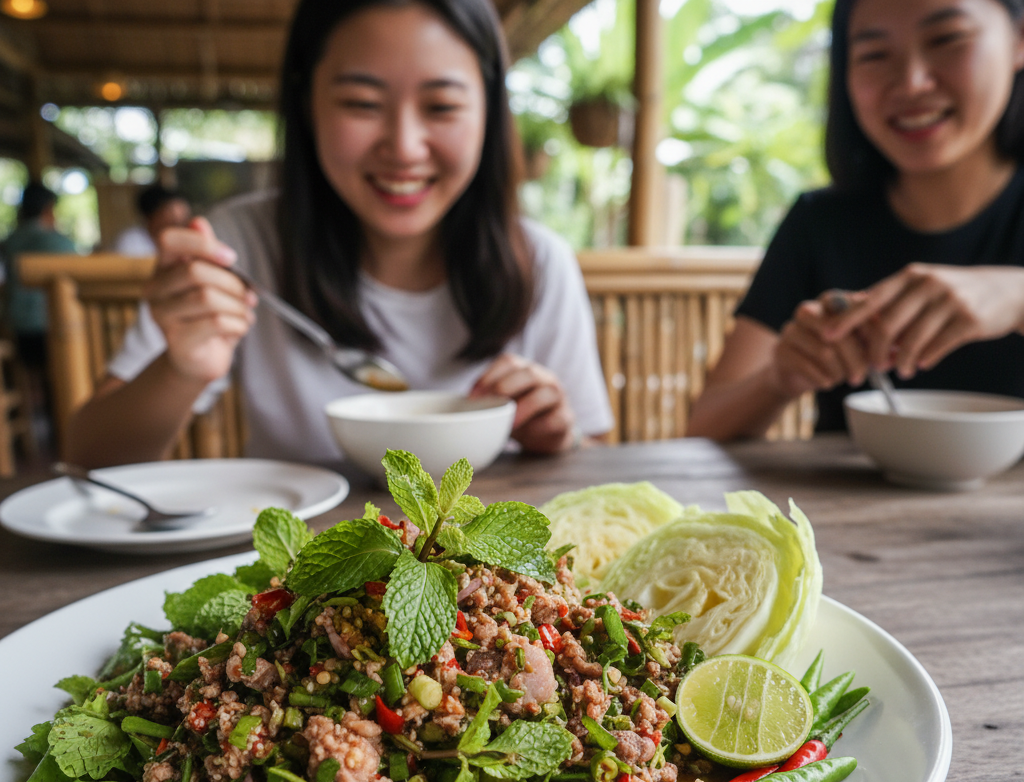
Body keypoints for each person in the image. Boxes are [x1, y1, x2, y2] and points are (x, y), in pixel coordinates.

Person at [69, 0, 613, 468]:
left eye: (441, 106)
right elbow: (88, 456)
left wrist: (559, 436)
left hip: (490, 582)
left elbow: (594, 456)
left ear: (490, 112)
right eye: (362, 104)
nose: (403, 146)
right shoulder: (239, 246)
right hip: (294, 578)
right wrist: (181, 369)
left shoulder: (540, 260)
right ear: (308, 104)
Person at [688, 0, 1024, 439]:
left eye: (946, 39)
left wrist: (1016, 295)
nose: (912, 82)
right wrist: (779, 378)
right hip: (845, 507)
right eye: (874, 55)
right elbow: (702, 430)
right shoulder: (821, 222)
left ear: (1019, 40)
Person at [2, 182, 76, 371]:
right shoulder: (60, 242)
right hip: (55, 326)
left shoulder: (9, 242)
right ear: (49, 208)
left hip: (16, 327)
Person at [113, 185, 192, 257]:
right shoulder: (130, 241)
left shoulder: (186, 239)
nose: (178, 218)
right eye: (170, 211)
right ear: (151, 215)